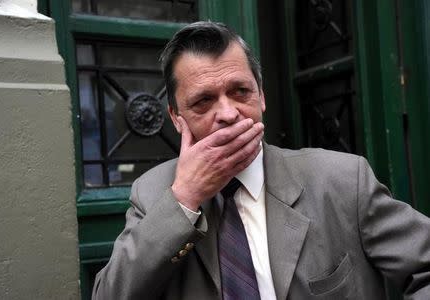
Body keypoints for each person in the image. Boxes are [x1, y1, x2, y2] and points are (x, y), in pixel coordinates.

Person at [92, 21, 430, 300]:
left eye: (241, 91)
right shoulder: (152, 194)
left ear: (262, 96)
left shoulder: (341, 179)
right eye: (203, 101)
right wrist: (185, 198)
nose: (227, 113)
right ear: (176, 117)